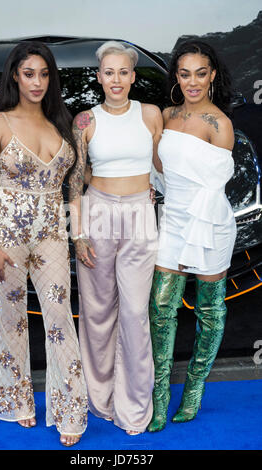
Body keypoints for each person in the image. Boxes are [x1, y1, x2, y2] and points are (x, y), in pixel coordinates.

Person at [0, 41, 88, 447]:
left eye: (43, 74)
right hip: (7, 233)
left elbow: (78, 182)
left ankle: (71, 408)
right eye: (28, 74)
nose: (37, 82)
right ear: (15, 77)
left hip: (52, 233)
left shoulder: (63, 123)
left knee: (59, 317)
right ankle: (19, 399)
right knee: (12, 319)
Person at [68, 41, 163, 435]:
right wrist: (78, 234)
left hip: (141, 213)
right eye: (109, 72)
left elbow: (162, 165)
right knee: (97, 312)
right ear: (99, 77)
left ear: (133, 76)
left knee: (136, 314)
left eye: (124, 72)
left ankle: (135, 406)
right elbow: (74, 178)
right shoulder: (84, 121)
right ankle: (101, 399)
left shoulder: (151, 114)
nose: (116, 79)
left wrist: (157, 193)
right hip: (97, 214)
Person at [148, 40, 236, 432]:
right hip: (173, 219)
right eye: (185, 73)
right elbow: (158, 168)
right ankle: (159, 394)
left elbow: (213, 190)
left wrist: (191, 244)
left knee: (210, 311)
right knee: (160, 308)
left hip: (210, 224)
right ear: (176, 77)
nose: (193, 81)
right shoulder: (164, 115)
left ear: (212, 74)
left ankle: (195, 389)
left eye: (201, 73)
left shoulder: (221, 125)